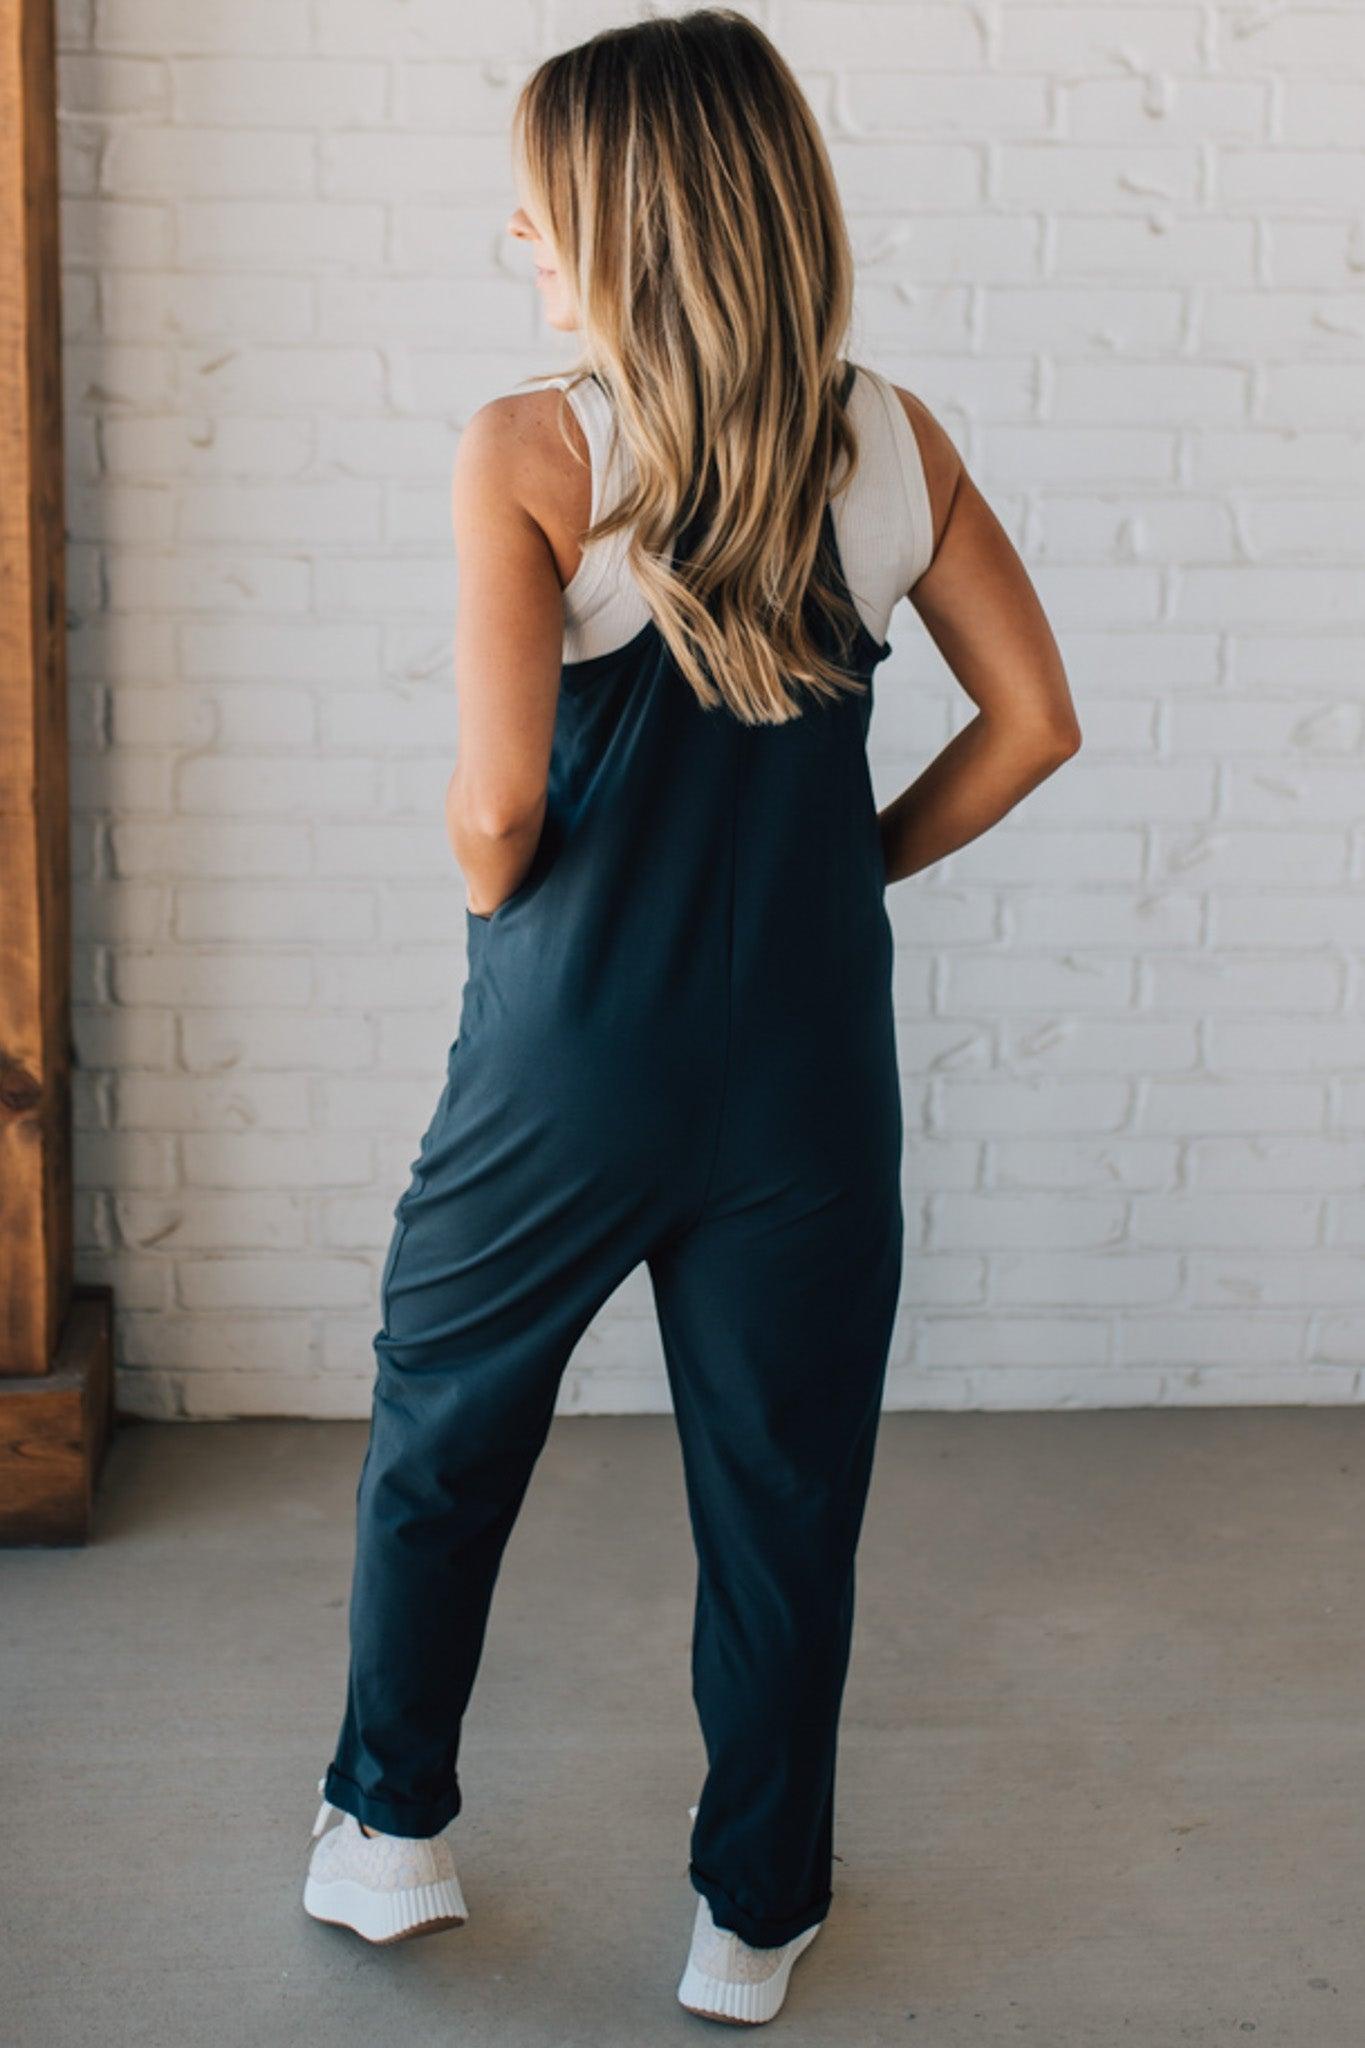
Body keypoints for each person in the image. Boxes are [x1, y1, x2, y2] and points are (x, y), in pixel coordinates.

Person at [302, 6, 1081, 2026]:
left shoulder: (534, 447)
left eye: (540, 201)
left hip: (564, 1063)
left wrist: (506, 893)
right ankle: (752, 1914)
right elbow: (1034, 722)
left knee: (442, 1426)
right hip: (804, 1076)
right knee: (780, 1484)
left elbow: (492, 812)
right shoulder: (892, 440)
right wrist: (848, 874)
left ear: (630, 222)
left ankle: (388, 1834)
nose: (514, 234)